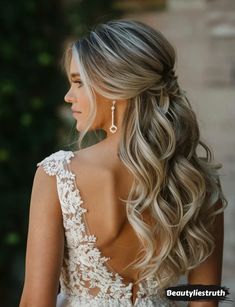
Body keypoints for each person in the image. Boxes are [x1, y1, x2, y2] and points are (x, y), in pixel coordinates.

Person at [19, 19, 227, 307]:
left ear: (114, 87)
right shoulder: (197, 181)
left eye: (78, 82)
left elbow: (35, 302)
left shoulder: (58, 175)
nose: (68, 96)